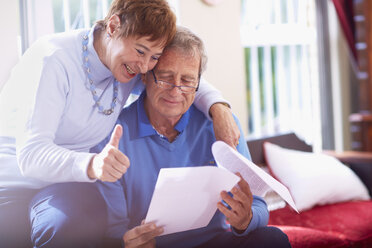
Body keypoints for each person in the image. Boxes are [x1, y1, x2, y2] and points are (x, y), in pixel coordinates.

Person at [0, 0, 240, 247]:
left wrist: (219, 108)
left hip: (69, 182)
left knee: (80, 227)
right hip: (16, 183)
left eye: (154, 57)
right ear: (113, 26)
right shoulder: (52, 60)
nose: (145, 66)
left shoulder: (127, 65)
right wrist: (92, 163)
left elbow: (178, 81)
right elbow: (30, 156)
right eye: (140, 51)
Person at [93, 26, 291, 248]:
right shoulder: (113, 136)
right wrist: (126, 242)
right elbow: (110, 231)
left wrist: (245, 220)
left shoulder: (222, 127)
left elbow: (258, 204)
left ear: (198, 84)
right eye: (166, 77)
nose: (176, 91)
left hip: (214, 241)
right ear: (146, 76)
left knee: (273, 239)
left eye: (187, 80)